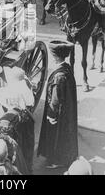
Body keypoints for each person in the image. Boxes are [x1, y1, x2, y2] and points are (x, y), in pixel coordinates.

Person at [37, 40, 78, 169]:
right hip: (67, 111)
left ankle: (57, 159)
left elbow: (55, 99)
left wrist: (51, 114)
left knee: (56, 136)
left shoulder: (58, 76)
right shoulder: (67, 68)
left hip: (58, 114)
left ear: (55, 57)